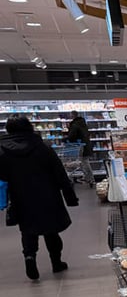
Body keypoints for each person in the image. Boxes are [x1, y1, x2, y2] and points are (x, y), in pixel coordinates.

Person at [0, 116, 78, 280]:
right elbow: (59, 172)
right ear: (29, 127)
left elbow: (2, 176)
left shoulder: (3, 150)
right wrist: (70, 197)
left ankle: (30, 258)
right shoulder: (42, 146)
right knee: (51, 230)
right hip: (47, 194)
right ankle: (56, 262)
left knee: (28, 230)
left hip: (20, 196)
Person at [65, 110, 95, 186]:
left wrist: (65, 139)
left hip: (80, 145)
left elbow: (72, 136)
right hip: (86, 144)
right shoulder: (83, 123)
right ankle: (87, 177)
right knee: (83, 161)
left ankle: (90, 178)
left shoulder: (75, 124)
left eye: (70, 115)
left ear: (72, 115)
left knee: (84, 162)